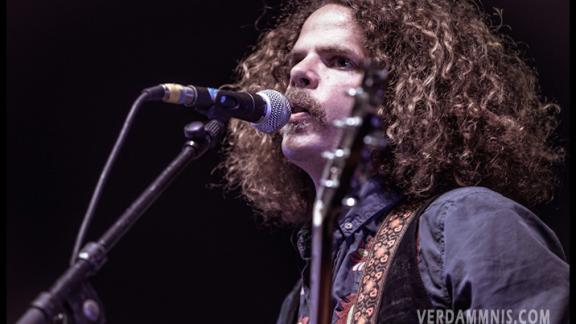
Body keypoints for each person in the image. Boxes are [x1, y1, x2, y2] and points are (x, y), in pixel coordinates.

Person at [219, 0, 569, 323]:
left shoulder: (468, 224)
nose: (299, 73)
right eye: (297, 59)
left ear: (402, 95)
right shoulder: (300, 298)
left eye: (341, 61)